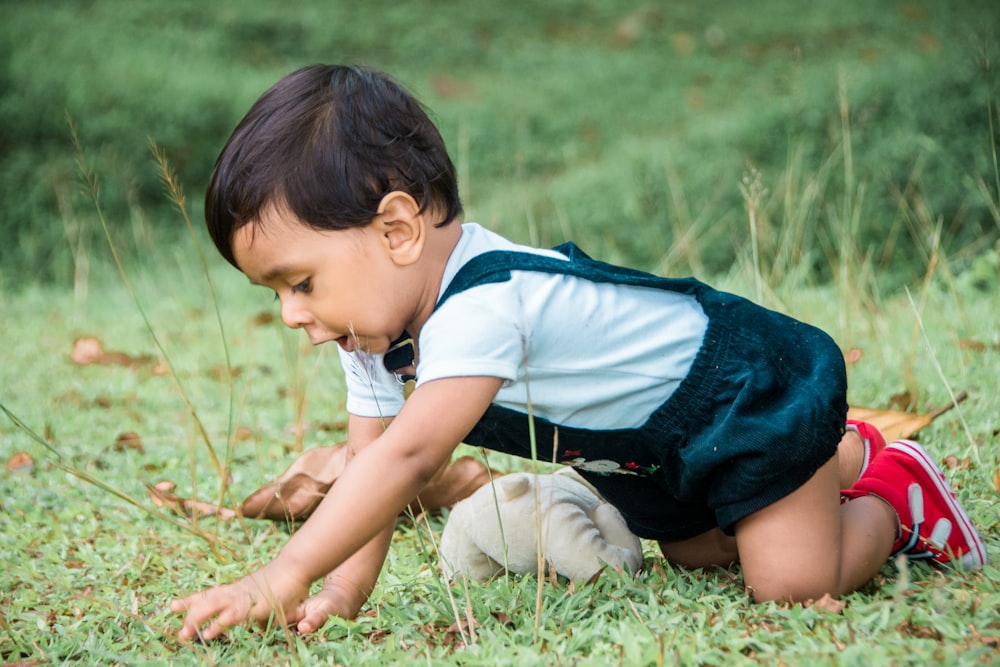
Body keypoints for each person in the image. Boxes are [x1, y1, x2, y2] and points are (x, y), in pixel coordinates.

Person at [170, 64, 987, 641]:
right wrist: (342, 590)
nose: (290, 313)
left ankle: (891, 485)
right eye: (274, 293)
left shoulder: (483, 304)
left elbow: (410, 460)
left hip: (743, 390)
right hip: (658, 453)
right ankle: (827, 466)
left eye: (300, 281)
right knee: (699, 552)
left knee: (791, 588)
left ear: (396, 228)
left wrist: (283, 574)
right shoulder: (374, 334)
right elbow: (366, 467)